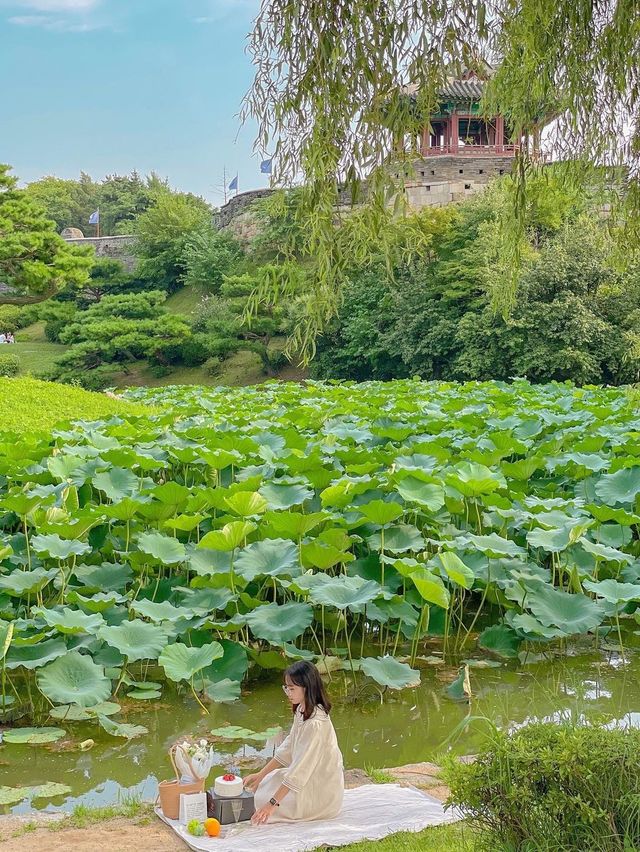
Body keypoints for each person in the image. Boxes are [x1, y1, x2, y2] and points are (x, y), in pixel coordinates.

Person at [244, 660, 344, 825]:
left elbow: (300, 770)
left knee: (260, 804)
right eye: (286, 688)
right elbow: (288, 747)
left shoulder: (315, 723)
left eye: (292, 689)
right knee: (262, 787)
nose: (288, 693)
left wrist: (272, 805)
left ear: (307, 687)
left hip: (320, 790)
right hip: (307, 777)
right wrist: (260, 775)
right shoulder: (302, 709)